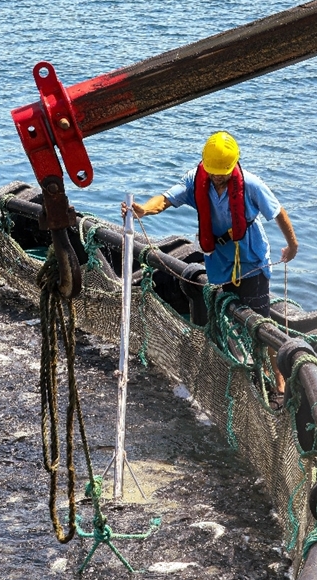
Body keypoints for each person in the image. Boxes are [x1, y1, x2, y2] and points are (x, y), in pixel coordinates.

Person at [126, 130, 298, 394]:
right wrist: (143, 209)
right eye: (214, 171)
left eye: (223, 172)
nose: (218, 176)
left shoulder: (250, 184)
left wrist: (292, 244)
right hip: (220, 264)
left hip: (251, 261)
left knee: (261, 323)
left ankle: (278, 381)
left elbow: (278, 212)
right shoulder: (196, 181)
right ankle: (241, 370)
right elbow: (166, 199)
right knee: (230, 314)